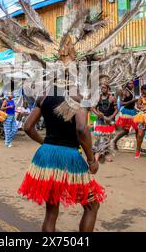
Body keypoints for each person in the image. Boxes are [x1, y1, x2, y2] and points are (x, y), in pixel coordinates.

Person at [19, 94, 105, 232]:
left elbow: (28, 127)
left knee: (51, 211)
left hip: (46, 156)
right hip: (69, 157)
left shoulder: (44, 98)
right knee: (91, 206)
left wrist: (45, 143)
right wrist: (91, 160)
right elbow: (81, 129)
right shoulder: (78, 98)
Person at [91, 83, 118, 163]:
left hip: (109, 120)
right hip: (100, 119)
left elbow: (117, 109)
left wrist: (110, 117)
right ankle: (98, 152)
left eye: (104, 88)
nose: (103, 89)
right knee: (100, 136)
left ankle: (106, 154)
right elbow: (92, 108)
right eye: (102, 88)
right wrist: (98, 114)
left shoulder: (112, 98)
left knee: (109, 137)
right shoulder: (98, 98)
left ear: (108, 89)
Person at [113, 81, 138, 149]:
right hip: (127, 113)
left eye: (132, 83)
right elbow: (121, 103)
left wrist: (135, 108)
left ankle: (138, 146)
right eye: (130, 83)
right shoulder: (124, 91)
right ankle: (114, 141)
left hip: (132, 111)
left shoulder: (130, 91)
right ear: (127, 84)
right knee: (129, 130)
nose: (132, 85)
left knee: (136, 129)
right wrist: (132, 101)